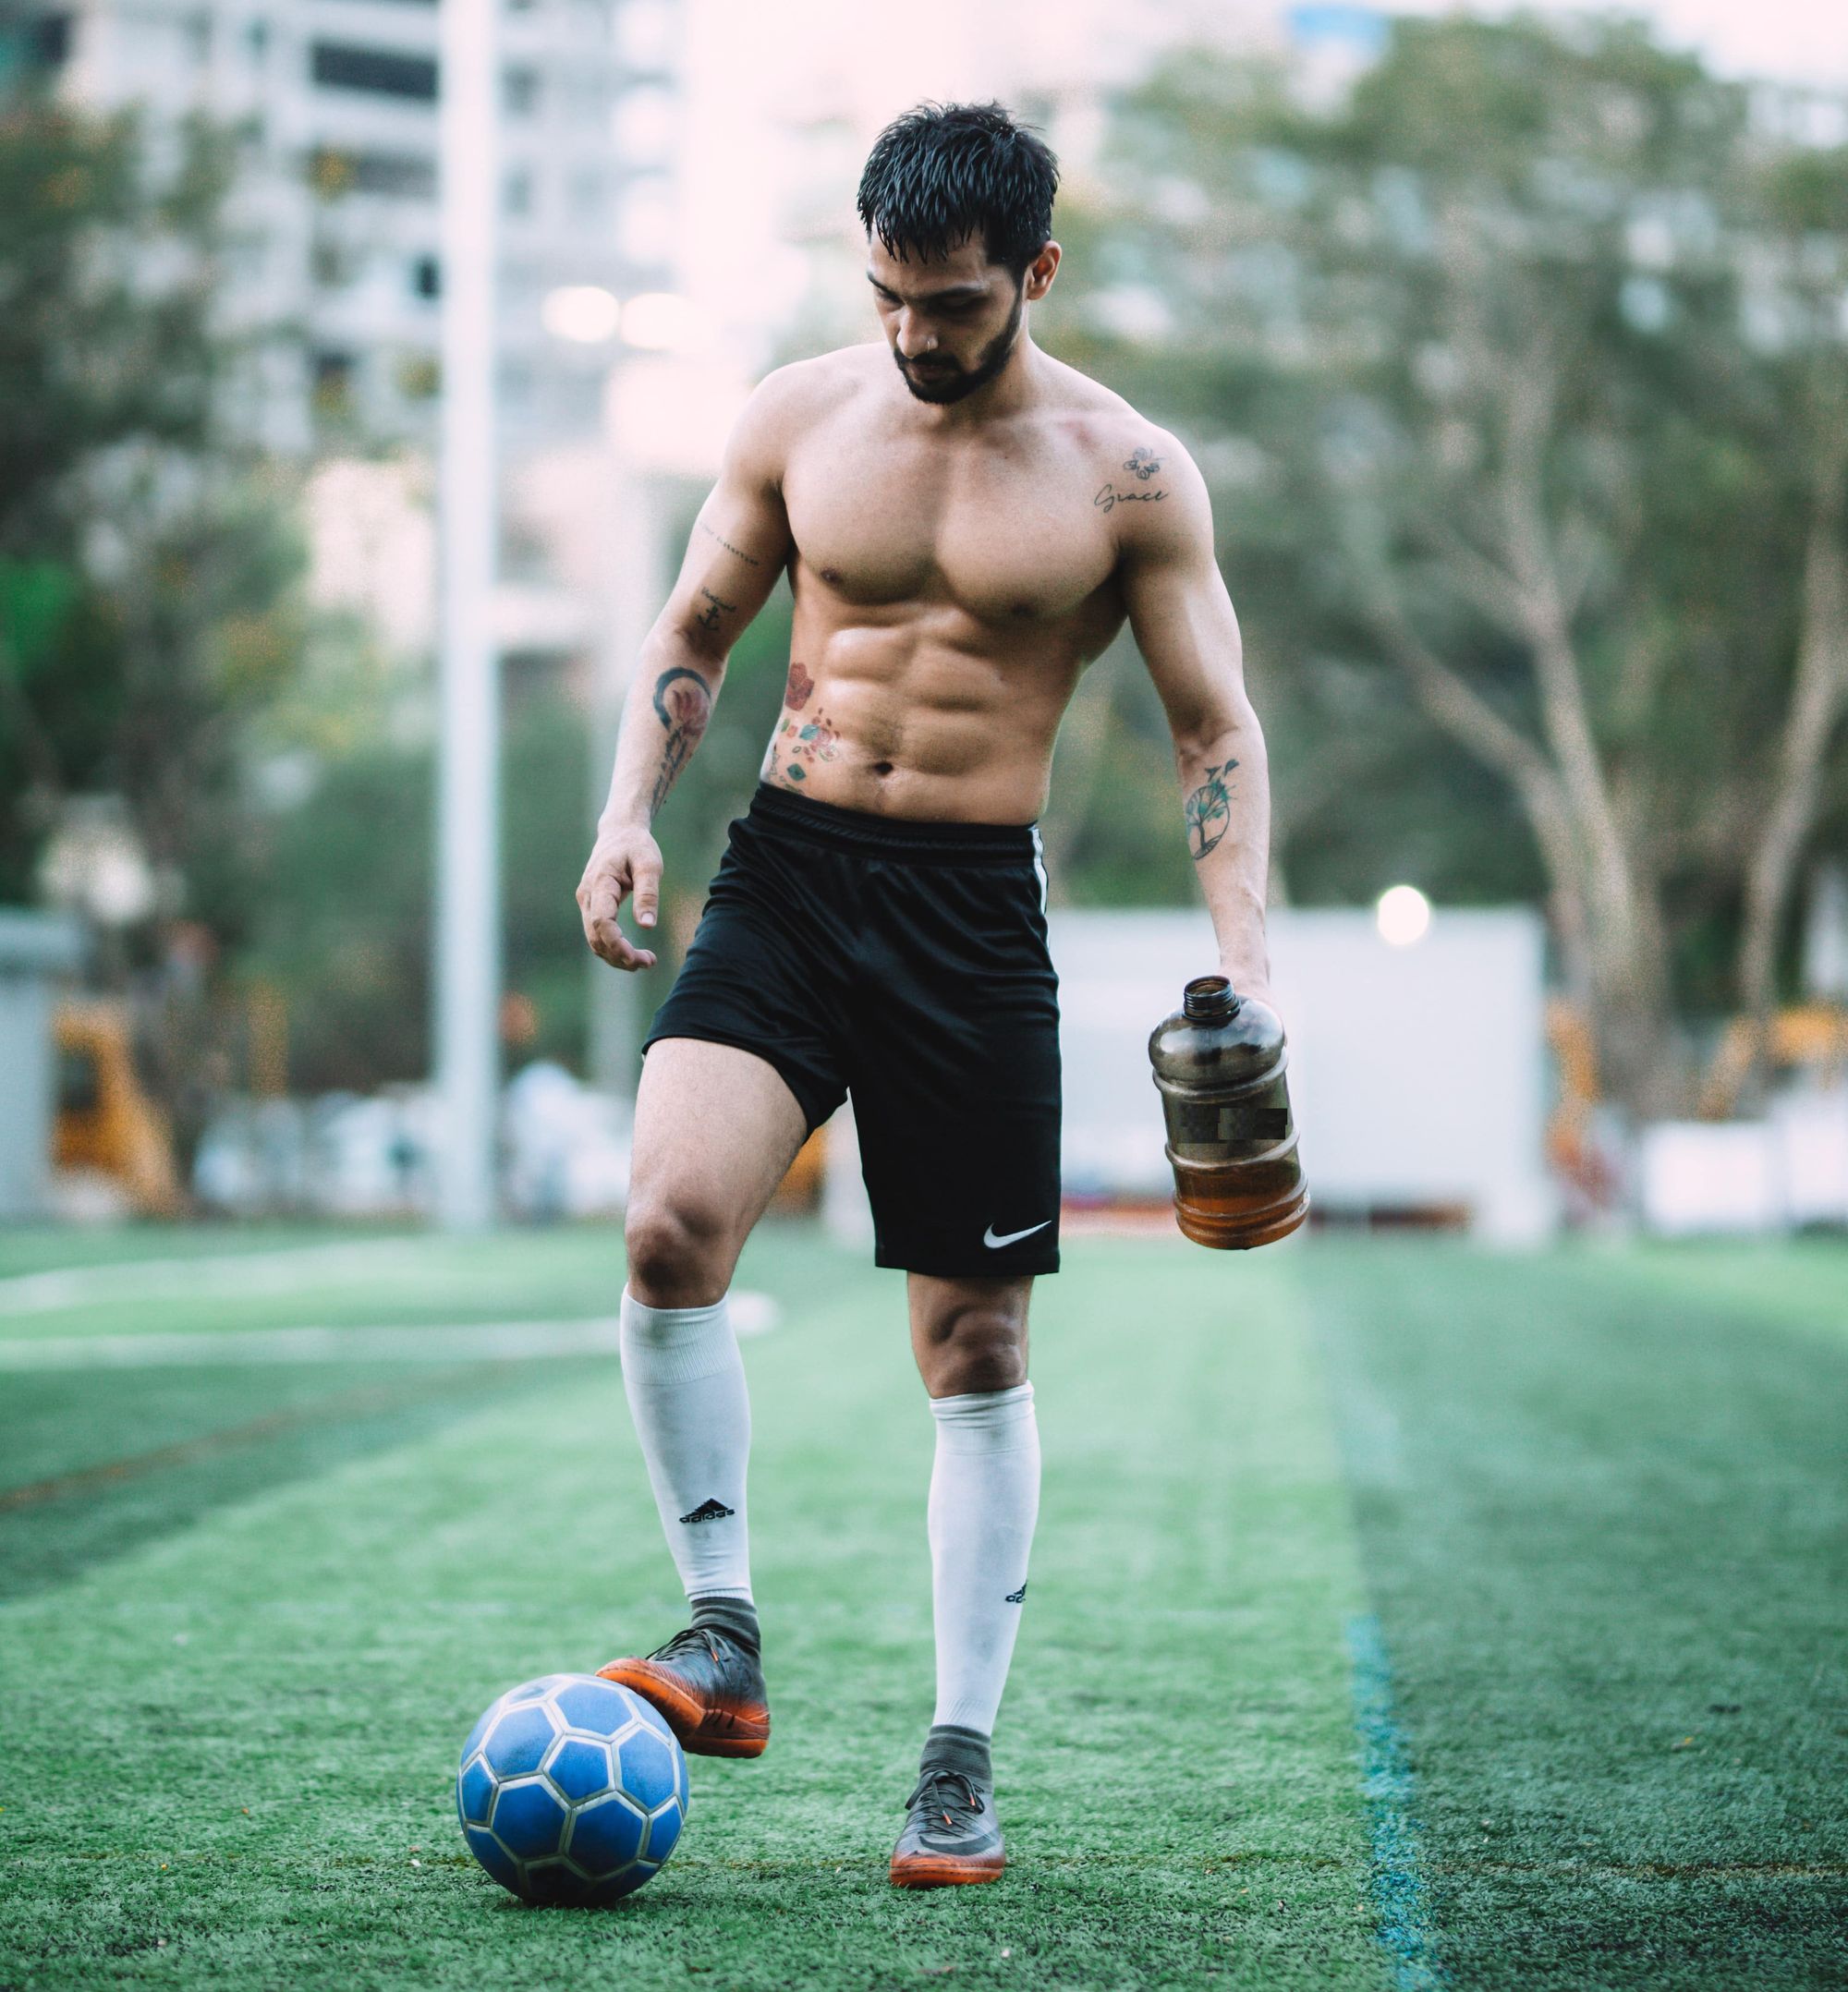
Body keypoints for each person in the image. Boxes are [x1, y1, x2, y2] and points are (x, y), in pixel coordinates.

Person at [577, 101, 1276, 1889]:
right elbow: (695, 627)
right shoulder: (799, 416)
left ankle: (956, 1761)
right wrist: (629, 820)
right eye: (889, 294)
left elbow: (1216, 733)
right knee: (667, 1229)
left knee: (972, 1348)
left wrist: (1246, 975)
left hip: (971, 915)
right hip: (793, 873)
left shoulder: (1130, 476)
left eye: (952, 305)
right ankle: (720, 1635)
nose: (914, 334)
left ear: (1033, 276)